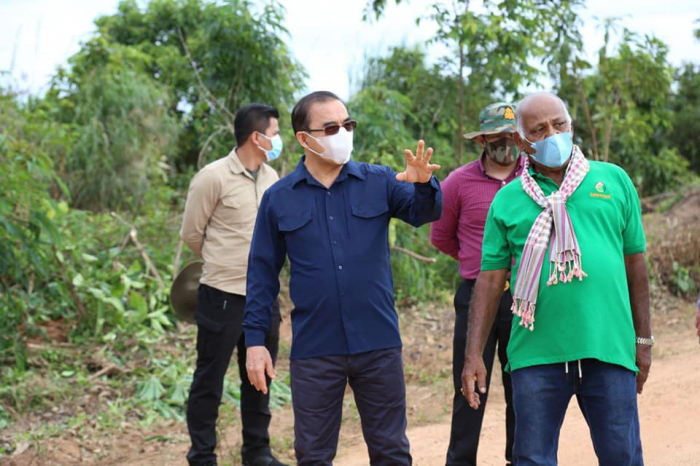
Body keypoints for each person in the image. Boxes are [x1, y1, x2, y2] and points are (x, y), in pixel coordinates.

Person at [243, 90, 442, 465]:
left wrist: (422, 184)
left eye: (347, 125)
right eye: (331, 128)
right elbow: (261, 273)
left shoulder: (379, 180)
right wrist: (255, 341)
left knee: (391, 451)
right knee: (314, 455)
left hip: (378, 342)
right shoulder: (279, 198)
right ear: (304, 139)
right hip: (315, 348)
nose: (343, 134)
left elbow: (423, 213)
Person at [461, 92, 652, 466]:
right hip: (536, 355)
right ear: (522, 142)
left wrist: (643, 340)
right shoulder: (509, 199)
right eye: (539, 130)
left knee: (622, 455)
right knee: (533, 458)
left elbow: (635, 265)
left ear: (571, 125)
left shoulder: (613, 180)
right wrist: (473, 355)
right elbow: (490, 280)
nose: (552, 134)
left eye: (559, 124)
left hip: (607, 348)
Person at [180, 103, 287, 466]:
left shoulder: (272, 178)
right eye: (275, 134)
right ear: (256, 137)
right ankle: (202, 456)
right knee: (209, 380)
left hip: (264, 298)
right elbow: (192, 233)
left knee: (259, 377)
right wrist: (223, 261)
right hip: (222, 296)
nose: (278, 140)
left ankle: (257, 452)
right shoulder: (212, 177)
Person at [431, 102, 523, 466]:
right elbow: (441, 236)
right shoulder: (458, 183)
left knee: (524, 386)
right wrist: (478, 263)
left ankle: (522, 458)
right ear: (482, 140)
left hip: (525, 296)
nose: (506, 143)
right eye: (497, 137)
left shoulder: (535, 177)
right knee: (470, 385)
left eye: (512, 136)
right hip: (476, 297)